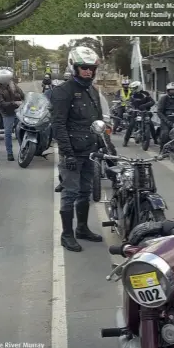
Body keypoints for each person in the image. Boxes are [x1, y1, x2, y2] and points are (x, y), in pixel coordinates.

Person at [51, 46, 104, 252]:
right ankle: (67, 234)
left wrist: (102, 145)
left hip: (89, 151)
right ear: (74, 67)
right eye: (84, 68)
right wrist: (67, 153)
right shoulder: (63, 92)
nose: (88, 71)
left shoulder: (92, 91)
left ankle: (82, 228)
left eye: (91, 68)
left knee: (86, 192)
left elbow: (96, 121)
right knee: (70, 194)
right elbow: (58, 125)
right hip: (72, 153)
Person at [0, 68, 25, 161]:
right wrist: (15, 103)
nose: (10, 80)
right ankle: (9, 153)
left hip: (18, 111)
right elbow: (1, 104)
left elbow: (22, 94)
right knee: (8, 133)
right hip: (7, 113)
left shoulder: (12, 84)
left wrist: (26, 100)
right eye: (8, 79)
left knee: (22, 130)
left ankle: (24, 150)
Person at [122, 81, 155, 147]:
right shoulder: (132, 94)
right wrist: (129, 107)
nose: (133, 89)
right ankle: (126, 141)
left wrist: (144, 106)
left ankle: (155, 139)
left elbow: (152, 102)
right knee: (131, 125)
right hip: (136, 111)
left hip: (145, 112)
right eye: (132, 88)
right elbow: (130, 102)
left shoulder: (145, 94)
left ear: (138, 87)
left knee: (151, 124)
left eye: (134, 88)